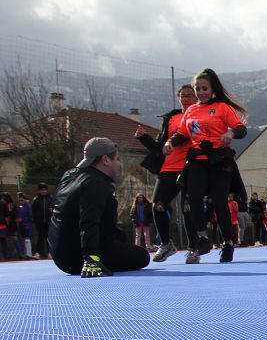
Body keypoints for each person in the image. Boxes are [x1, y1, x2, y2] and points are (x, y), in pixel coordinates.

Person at [163, 68, 248, 263]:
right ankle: (202, 237)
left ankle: (227, 243)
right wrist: (170, 143)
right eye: (197, 89)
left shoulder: (222, 107)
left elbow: (241, 129)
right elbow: (182, 133)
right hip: (198, 159)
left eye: (204, 88)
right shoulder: (191, 110)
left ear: (212, 89)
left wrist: (230, 134)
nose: (201, 92)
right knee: (193, 198)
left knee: (219, 202)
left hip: (219, 160)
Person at [48, 137, 150, 277]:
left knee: (121, 236)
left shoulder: (69, 176)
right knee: (142, 256)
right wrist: (91, 257)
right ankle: (90, 258)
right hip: (77, 258)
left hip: (60, 257)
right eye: (117, 159)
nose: (119, 164)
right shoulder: (96, 183)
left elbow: (55, 209)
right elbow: (89, 221)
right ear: (106, 160)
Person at [136, 83, 200, 263]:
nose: (186, 98)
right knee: (157, 205)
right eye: (183, 96)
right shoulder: (171, 118)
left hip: (191, 167)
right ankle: (166, 244)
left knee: (188, 208)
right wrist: (144, 137)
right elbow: (160, 147)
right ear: (179, 98)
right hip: (169, 168)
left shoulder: (200, 115)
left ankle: (193, 248)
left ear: (196, 99)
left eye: (190, 95)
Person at [31, 183, 54, 259]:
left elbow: (55, 208)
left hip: (49, 221)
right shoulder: (36, 199)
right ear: (39, 191)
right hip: (39, 222)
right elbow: (33, 211)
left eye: (45, 190)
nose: (43, 191)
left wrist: (52, 211)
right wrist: (35, 221)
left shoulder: (51, 198)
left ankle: (49, 253)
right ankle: (38, 253)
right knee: (40, 237)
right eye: (42, 190)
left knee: (48, 238)